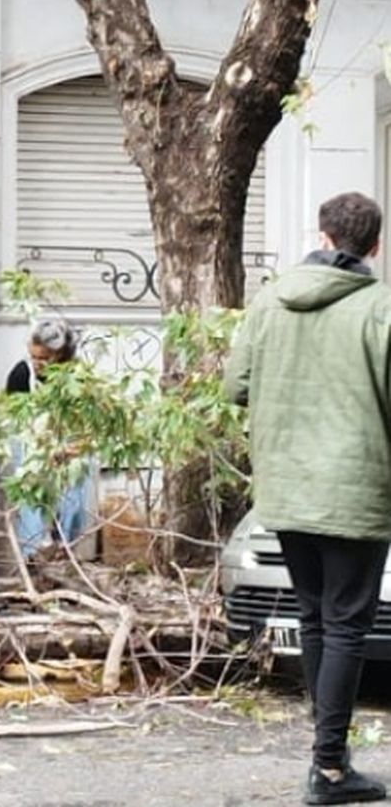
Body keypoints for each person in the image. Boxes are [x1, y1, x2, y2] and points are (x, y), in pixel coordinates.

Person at [225, 192, 391, 805]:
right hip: (357, 491)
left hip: (287, 492)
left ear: (322, 236)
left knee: (316, 616)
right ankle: (329, 769)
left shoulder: (270, 300)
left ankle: (331, 754)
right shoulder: (382, 307)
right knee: (348, 624)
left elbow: (235, 385)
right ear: (374, 246)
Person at [5, 318, 96, 558]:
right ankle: (32, 557)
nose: (38, 363)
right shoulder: (22, 375)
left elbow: (90, 426)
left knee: (73, 506)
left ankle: (64, 553)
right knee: (32, 504)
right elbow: (15, 423)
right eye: (34, 356)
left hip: (71, 449)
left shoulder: (79, 378)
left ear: (61, 355)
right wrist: (45, 451)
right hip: (33, 450)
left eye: (44, 358)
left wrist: (71, 450)